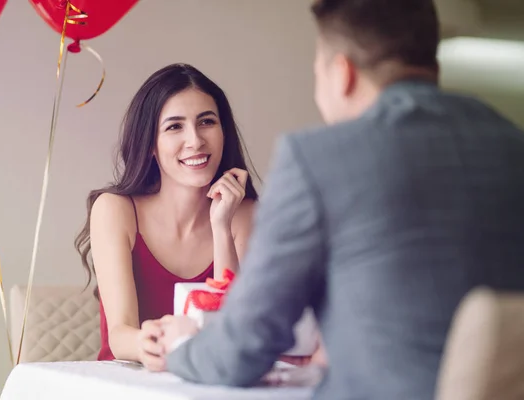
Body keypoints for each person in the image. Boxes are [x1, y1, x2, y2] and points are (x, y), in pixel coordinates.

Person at [145, 0, 524, 398]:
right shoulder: (512, 146)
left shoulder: (318, 158)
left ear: (341, 73)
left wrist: (181, 345)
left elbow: (243, 349)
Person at [74, 63, 261, 370]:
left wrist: (221, 227)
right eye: (175, 126)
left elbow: (236, 333)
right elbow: (120, 335)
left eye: (207, 122)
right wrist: (151, 343)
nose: (196, 140)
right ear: (150, 145)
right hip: (129, 385)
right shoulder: (115, 210)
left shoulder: (244, 214)